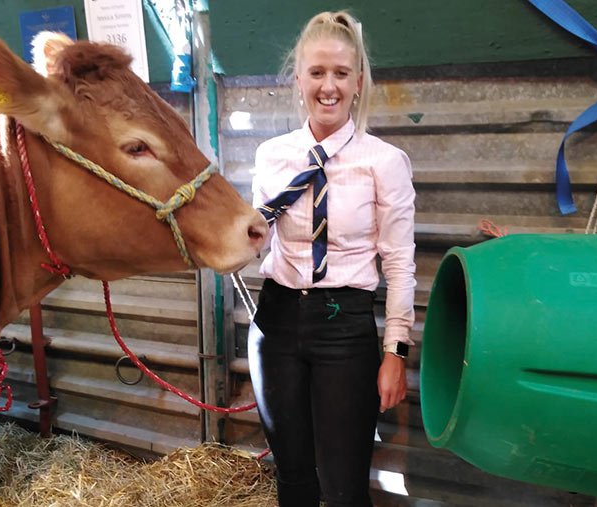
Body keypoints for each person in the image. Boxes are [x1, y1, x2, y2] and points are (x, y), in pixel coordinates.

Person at [247, 10, 416, 507]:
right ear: (298, 78)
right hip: (275, 322)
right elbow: (258, 235)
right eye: (317, 73)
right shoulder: (271, 155)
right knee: (293, 477)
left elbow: (401, 262)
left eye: (341, 74)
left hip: (344, 327)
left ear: (358, 82)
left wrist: (396, 351)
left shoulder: (383, 162)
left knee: (343, 488)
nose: (328, 86)